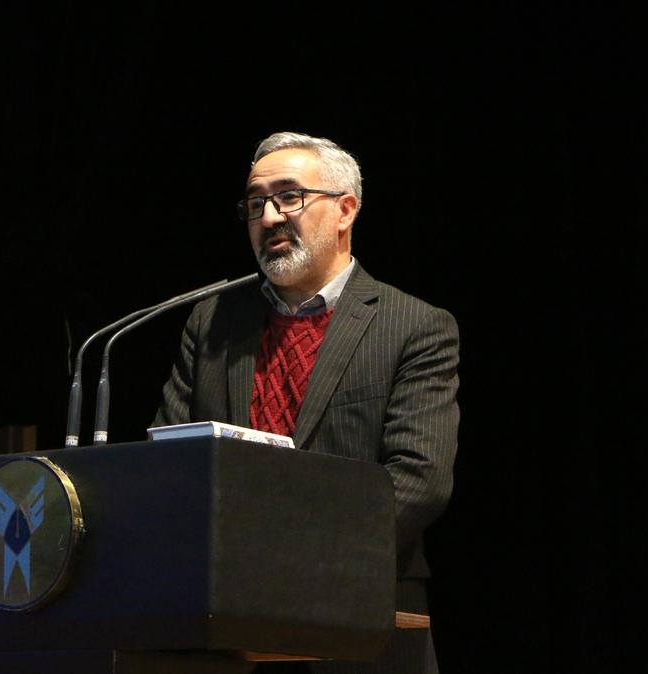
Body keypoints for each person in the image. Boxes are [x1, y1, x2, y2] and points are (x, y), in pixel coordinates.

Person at [153, 131, 460, 673]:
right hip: (223, 629)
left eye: (289, 196)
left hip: (358, 621)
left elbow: (417, 480)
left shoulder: (413, 326)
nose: (269, 217)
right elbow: (170, 464)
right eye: (255, 203)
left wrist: (289, 563)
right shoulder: (213, 322)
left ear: (345, 210)